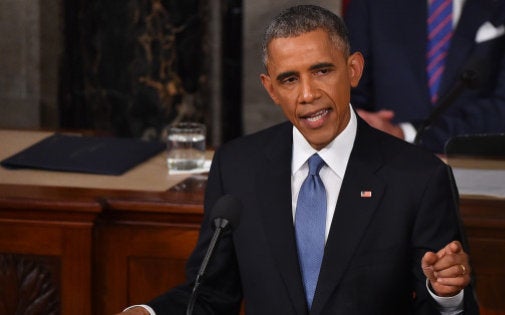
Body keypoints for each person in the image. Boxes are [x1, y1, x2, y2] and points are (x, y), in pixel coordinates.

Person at [118, 4, 478, 314]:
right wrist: (148, 311)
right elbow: (210, 294)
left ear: (353, 70)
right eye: (289, 79)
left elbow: (442, 297)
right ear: (271, 89)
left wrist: (446, 296)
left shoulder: (419, 178)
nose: (307, 94)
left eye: (322, 71)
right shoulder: (237, 168)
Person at [344, 0, 505, 153]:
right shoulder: (373, 3)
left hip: (482, 179)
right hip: (385, 174)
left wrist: (407, 133)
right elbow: (348, 90)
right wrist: (363, 125)